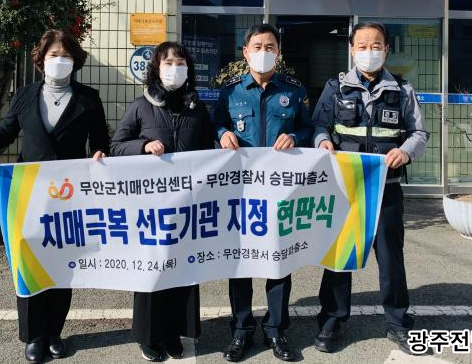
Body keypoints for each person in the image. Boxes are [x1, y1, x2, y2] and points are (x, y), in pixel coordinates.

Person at [0, 29, 110, 363]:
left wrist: (100, 154)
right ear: (41, 60)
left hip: (70, 193)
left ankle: (55, 332)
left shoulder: (89, 98)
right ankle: (34, 335)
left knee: (62, 263)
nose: (59, 61)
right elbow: (6, 130)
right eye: (53, 55)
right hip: (30, 192)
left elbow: (100, 140)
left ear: (75, 61)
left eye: (66, 55)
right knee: (31, 261)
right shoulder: (25, 95)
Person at [310, 21, 431, 356]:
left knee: (391, 258)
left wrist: (406, 151)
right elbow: (319, 124)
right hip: (345, 188)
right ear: (351, 50)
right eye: (362, 46)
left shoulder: (402, 90)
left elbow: (419, 133)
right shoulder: (335, 88)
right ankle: (332, 319)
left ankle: (397, 321)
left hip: (386, 189)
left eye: (376, 45)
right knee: (340, 255)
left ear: (386, 50)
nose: (369, 51)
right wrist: (322, 142)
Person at [212, 23, 313, 363]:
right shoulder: (230, 91)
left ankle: (276, 329)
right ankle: (241, 329)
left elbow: (308, 127)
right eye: (257, 46)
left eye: (270, 46)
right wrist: (223, 133)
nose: (263, 52)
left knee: (278, 260)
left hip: (281, 190)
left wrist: (295, 137)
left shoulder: (293, 91)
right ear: (245, 52)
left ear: (278, 52)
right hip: (240, 191)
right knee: (240, 260)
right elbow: (215, 123)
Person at [110, 41, 213, 362]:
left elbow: (211, 152)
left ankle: (174, 332)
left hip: (187, 206)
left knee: (182, 270)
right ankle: (149, 336)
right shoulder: (141, 106)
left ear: (188, 69)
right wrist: (142, 146)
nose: (174, 69)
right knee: (152, 270)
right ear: (156, 68)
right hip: (150, 208)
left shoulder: (198, 108)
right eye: (168, 63)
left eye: (180, 63)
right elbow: (116, 146)